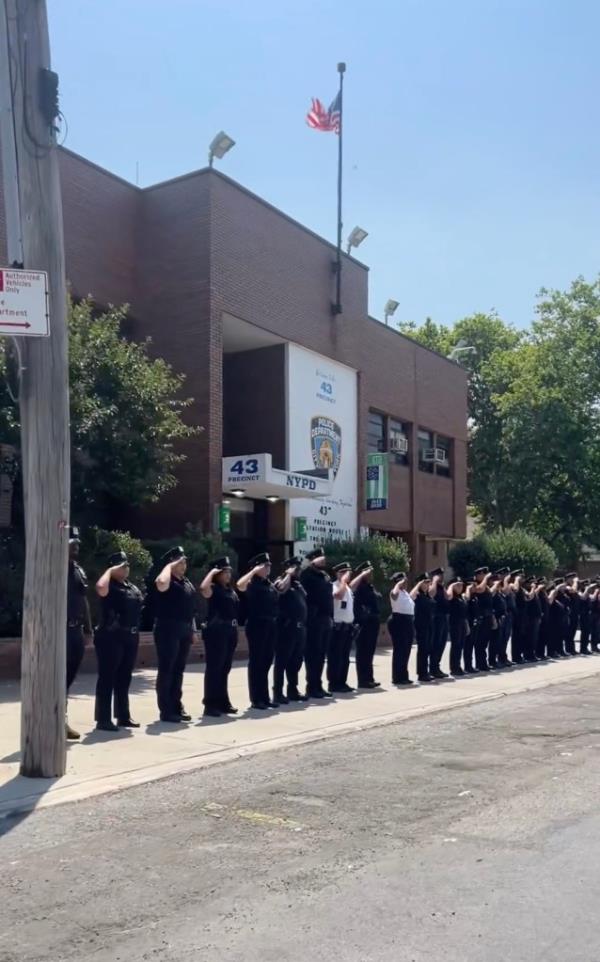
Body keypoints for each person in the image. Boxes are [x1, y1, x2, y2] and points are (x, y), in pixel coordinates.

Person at [94, 550, 143, 732]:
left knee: (124, 677)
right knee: (107, 677)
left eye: (127, 565)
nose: (126, 568)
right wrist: (109, 571)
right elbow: (100, 588)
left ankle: (123, 715)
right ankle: (103, 719)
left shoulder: (130, 587)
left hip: (130, 636)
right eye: (121, 566)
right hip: (111, 636)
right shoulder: (109, 585)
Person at [154, 546, 197, 723]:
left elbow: (191, 608)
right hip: (168, 629)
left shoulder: (186, 582)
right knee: (167, 669)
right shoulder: (167, 579)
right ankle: (166, 710)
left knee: (178, 670)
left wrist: (193, 630)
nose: (183, 564)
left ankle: (176, 705)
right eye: (180, 561)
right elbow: (160, 583)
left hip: (184, 629)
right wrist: (169, 567)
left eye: (184, 561)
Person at [237, 552, 279, 710]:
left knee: (267, 661)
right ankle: (256, 699)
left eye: (269, 565)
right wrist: (254, 571)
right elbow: (239, 585)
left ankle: (265, 697)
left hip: (270, 625)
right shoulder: (252, 583)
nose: (268, 568)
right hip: (257, 625)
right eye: (265, 566)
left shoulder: (268, 584)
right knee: (257, 662)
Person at [199, 556, 239, 718]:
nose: (228, 574)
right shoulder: (213, 588)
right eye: (224, 572)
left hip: (230, 631)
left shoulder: (229, 589)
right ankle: (210, 704)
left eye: (229, 571)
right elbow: (203, 588)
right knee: (214, 668)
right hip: (217, 631)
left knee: (225, 668)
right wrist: (212, 572)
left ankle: (223, 701)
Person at [66, 527, 93, 740]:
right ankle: (52, 721)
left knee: (68, 678)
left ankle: (61, 720)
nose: (76, 547)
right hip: (59, 631)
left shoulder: (78, 569)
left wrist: (88, 629)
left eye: (77, 543)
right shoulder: (54, 567)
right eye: (72, 543)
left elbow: (84, 601)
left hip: (76, 630)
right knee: (57, 678)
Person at [273, 556, 308, 704]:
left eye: (298, 568)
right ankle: (278, 693)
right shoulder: (281, 581)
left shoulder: (298, 584)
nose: (298, 571)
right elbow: (280, 589)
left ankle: (292, 690)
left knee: (296, 661)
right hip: (286, 629)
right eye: (296, 568)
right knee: (282, 662)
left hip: (300, 628)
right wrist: (288, 574)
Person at [300, 547, 334, 699]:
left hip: (325, 618)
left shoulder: (324, 575)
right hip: (314, 619)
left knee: (321, 655)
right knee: (313, 654)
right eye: (320, 557)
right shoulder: (307, 574)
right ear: (313, 559)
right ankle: (311, 687)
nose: (324, 559)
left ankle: (318, 685)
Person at [328, 561, 359, 694]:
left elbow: (352, 587)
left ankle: (342, 682)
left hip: (347, 628)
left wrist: (362, 574)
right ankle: (334, 684)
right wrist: (343, 581)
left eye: (348, 573)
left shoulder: (346, 588)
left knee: (345, 657)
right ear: (338, 574)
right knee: (336, 657)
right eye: (345, 573)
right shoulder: (335, 586)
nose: (348, 576)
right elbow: (338, 596)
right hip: (337, 628)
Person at [353, 560, 382, 689]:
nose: (371, 574)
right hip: (364, 623)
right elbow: (351, 587)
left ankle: (369, 678)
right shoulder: (359, 586)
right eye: (368, 572)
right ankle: (363, 680)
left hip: (373, 622)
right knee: (363, 652)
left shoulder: (370, 586)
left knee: (369, 652)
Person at [388, 571, 415, 685]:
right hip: (399, 621)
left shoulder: (405, 593)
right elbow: (394, 596)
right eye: (404, 581)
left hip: (408, 621)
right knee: (399, 650)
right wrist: (398, 584)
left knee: (406, 650)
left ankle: (404, 675)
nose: (406, 583)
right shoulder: (395, 591)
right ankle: (397, 677)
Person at [469, 567, 494, 671]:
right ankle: (480, 663)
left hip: (488, 615)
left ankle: (483, 662)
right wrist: (485, 579)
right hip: (481, 617)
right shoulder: (474, 583)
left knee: (484, 641)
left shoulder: (486, 585)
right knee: (479, 642)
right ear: (479, 575)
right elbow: (479, 590)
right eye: (484, 574)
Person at [411, 573, 435, 683]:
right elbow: (411, 596)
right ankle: (422, 673)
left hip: (429, 624)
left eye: (428, 582)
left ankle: (426, 671)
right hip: (421, 625)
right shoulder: (418, 595)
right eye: (425, 582)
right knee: (423, 649)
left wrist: (432, 583)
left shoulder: (426, 595)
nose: (427, 584)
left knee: (428, 648)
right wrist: (419, 584)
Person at [429, 568, 449, 679]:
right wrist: (435, 582)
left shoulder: (441, 587)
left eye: (442, 575)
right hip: (436, 618)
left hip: (444, 617)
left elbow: (448, 597)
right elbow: (431, 594)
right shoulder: (432, 586)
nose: (442, 577)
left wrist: (443, 586)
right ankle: (432, 668)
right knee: (435, 643)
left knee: (442, 643)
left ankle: (436, 667)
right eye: (439, 575)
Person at [446, 578, 469, 676]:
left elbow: (465, 613)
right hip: (454, 623)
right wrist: (451, 586)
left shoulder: (461, 597)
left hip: (462, 622)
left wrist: (467, 625)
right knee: (456, 645)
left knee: (460, 646)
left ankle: (458, 666)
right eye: (458, 585)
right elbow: (448, 597)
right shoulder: (452, 597)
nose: (460, 587)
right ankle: (454, 668)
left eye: (461, 585)